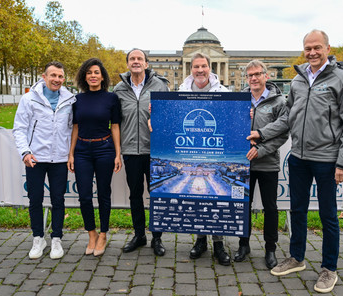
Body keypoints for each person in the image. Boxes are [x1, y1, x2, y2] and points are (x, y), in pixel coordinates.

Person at [248, 30, 343, 293]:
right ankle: (297, 258)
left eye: (317, 47)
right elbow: (288, 118)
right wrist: (262, 133)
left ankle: (328, 269)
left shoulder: (342, 79)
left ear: (327, 48)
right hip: (297, 157)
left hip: (327, 160)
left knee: (328, 215)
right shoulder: (298, 81)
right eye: (308, 48)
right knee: (296, 211)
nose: (312, 52)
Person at [13, 61, 75, 259]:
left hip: (59, 159)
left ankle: (56, 238)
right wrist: (25, 152)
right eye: (53, 76)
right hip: (35, 158)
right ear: (44, 77)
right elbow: (20, 128)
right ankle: (38, 238)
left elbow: (73, 128)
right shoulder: (29, 99)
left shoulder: (70, 100)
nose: (57, 80)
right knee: (35, 199)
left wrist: (70, 154)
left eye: (60, 76)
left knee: (58, 199)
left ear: (64, 79)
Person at [113, 49, 169, 256]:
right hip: (130, 151)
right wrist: (117, 152)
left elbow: (170, 117)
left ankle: (157, 238)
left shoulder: (160, 85)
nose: (136, 62)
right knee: (135, 195)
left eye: (140, 59)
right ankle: (139, 235)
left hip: (154, 150)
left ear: (146, 63)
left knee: (157, 195)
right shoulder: (119, 89)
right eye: (132, 59)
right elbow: (115, 123)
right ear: (127, 63)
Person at [178, 52, 231, 266]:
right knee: (196, 198)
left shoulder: (224, 92)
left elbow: (230, 118)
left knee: (215, 200)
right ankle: (200, 241)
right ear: (191, 69)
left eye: (204, 66)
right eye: (196, 66)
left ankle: (219, 244)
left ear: (210, 68)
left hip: (215, 149)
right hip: (190, 149)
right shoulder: (181, 91)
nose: (200, 70)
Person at [234, 60, 288, 269]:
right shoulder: (240, 100)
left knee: (270, 208)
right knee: (243, 206)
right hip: (243, 164)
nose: (254, 78)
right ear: (246, 78)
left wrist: (261, 149)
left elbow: (283, 134)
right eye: (250, 75)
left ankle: (270, 249)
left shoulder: (278, 102)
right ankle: (244, 244)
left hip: (267, 163)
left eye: (258, 74)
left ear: (267, 75)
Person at [67, 58, 122, 257]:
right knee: (84, 196)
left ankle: (103, 234)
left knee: (104, 194)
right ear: (84, 76)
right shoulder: (77, 100)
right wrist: (71, 153)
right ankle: (91, 233)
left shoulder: (111, 99)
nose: (93, 76)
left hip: (104, 149)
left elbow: (115, 127)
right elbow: (75, 127)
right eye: (89, 72)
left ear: (102, 76)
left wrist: (118, 154)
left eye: (96, 72)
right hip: (82, 150)